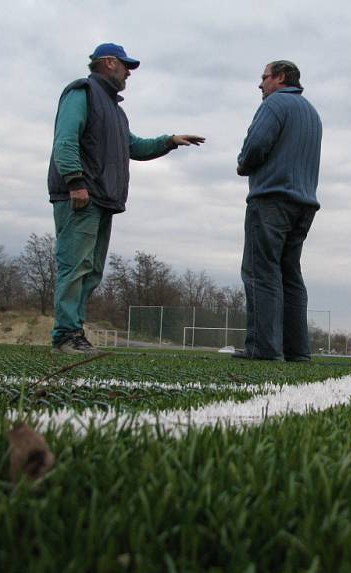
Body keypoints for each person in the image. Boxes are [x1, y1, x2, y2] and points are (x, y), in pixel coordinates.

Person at [47, 43, 205, 355]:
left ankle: (75, 332)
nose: (129, 72)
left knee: (91, 270)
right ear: (108, 63)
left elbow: (134, 146)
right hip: (80, 196)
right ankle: (65, 335)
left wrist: (169, 141)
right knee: (74, 266)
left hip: (103, 199)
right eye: (125, 65)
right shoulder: (82, 93)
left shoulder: (116, 113)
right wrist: (75, 182)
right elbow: (65, 141)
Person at [235, 60, 323, 361]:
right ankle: (298, 351)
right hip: (305, 204)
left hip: (272, 199)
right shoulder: (312, 113)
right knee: (290, 275)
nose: (260, 84)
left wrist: (243, 164)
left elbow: (256, 145)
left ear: (281, 77)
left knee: (261, 272)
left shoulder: (275, 105)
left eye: (264, 77)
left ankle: (263, 349)